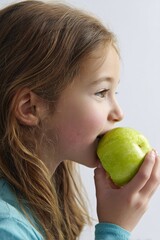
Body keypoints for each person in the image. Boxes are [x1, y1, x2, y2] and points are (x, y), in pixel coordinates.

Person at [0, 1, 159, 239]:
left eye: (115, 92)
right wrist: (115, 229)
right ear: (30, 108)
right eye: (101, 92)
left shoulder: (30, 208)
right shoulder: (8, 229)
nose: (118, 113)